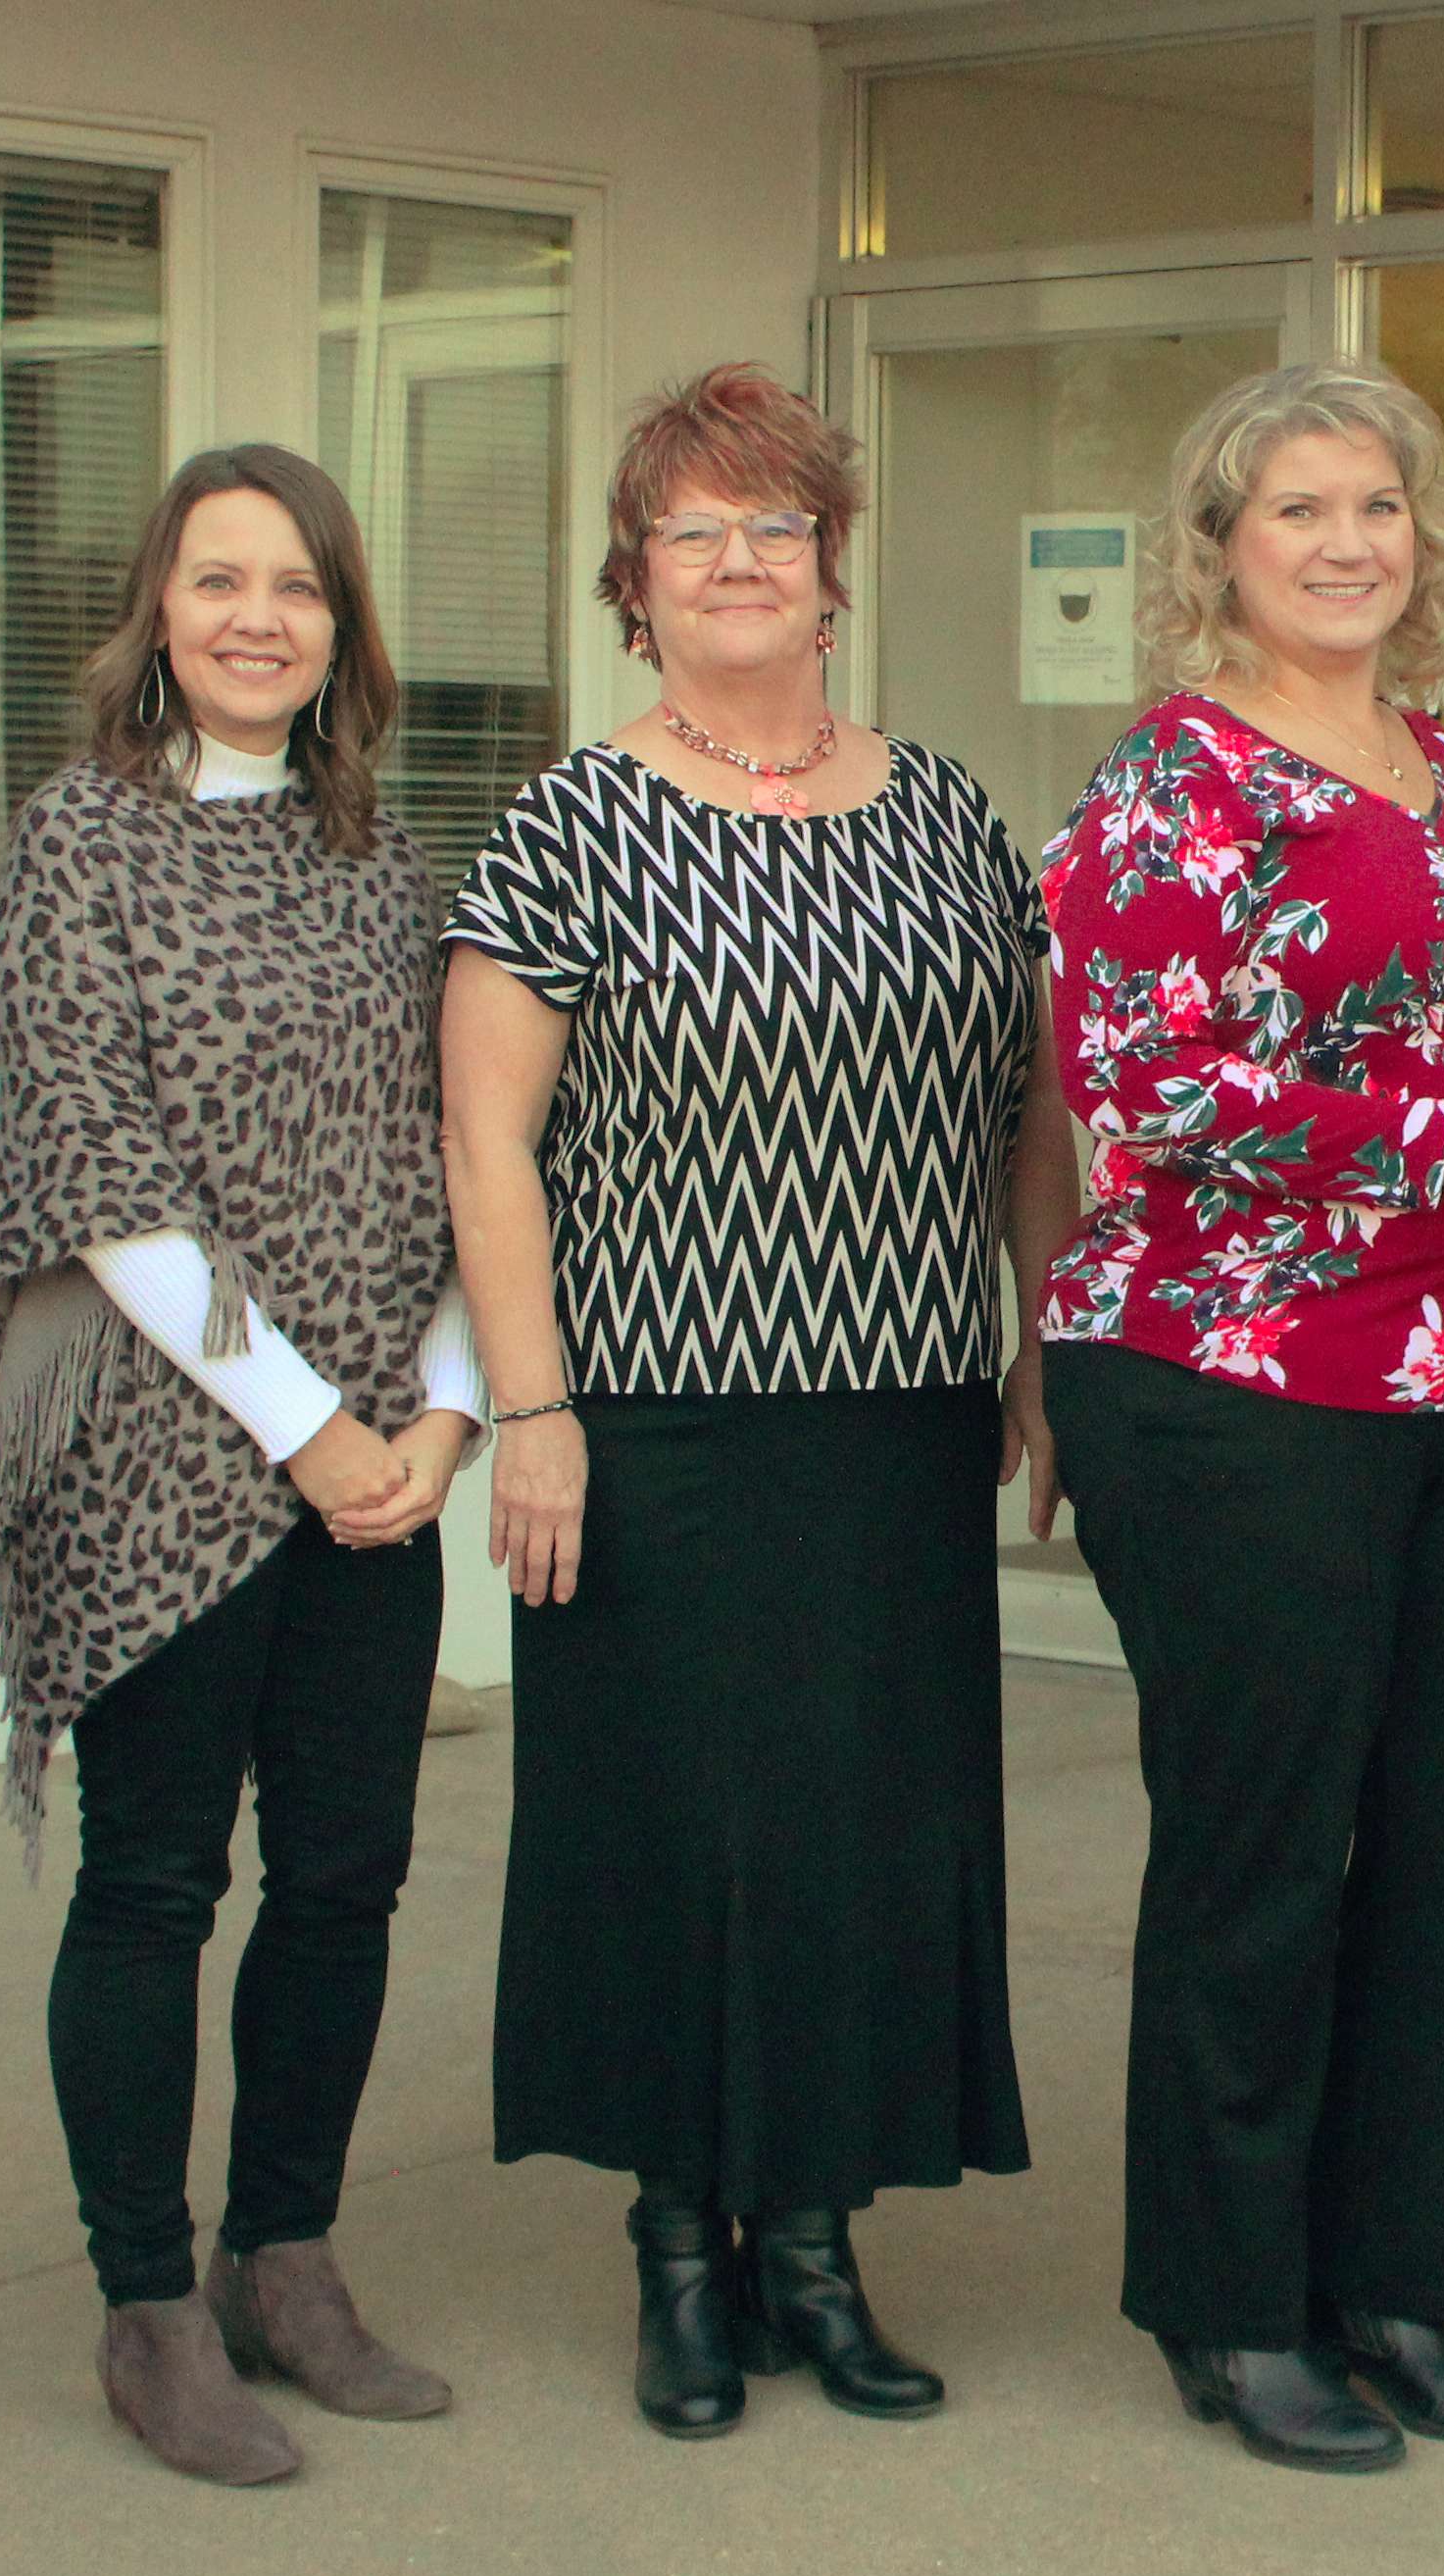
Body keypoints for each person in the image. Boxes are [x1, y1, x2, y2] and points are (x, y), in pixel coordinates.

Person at [443, 365, 1067, 2441]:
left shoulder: (952, 809)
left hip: (895, 1407)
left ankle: (816, 2235)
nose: (737, 562)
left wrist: (1038, 1345)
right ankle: (677, 2242)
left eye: (774, 530)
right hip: (655, 1416)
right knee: (672, 1835)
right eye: (694, 533)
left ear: (831, 572)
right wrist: (531, 1410)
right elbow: (487, 1141)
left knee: (870, 1838)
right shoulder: (571, 819)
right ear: (636, 583)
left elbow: (1027, 1109)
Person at [1037, 359, 1444, 2476]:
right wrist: (1428, 1133)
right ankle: (1234, 2299)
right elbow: (1144, 1085)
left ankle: (1394, 2281)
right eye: (1299, 513)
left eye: (1380, 507)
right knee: (1268, 1849)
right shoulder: (1168, 783)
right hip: (1232, 1379)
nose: (1350, 542)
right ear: (1221, 555)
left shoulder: (1441, 766)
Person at [0, 444, 486, 2487]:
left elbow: (464, 1152)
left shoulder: (388, 856)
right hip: (166, 1460)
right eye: (218, 580)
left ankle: (291, 2254)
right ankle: (151, 2298)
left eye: (297, 584)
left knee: (346, 1874)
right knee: (156, 1879)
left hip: (379, 1459)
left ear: (343, 624)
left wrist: (438, 1414)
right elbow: (97, 1164)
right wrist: (314, 1425)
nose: (257, 614)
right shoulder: (77, 838)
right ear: (156, 609)